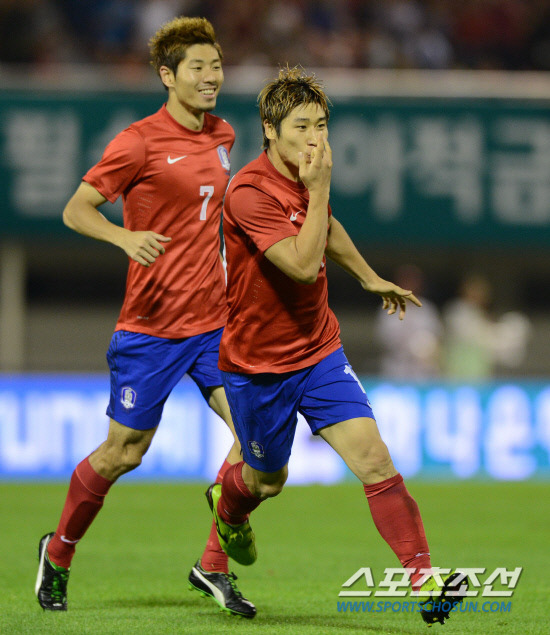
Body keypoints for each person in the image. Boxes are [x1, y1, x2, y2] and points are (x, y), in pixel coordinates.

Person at [207, 66, 468, 626]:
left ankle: (426, 583)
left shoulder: (303, 179)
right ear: (270, 131)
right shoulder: (248, 192)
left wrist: (368, 276)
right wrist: (321, 187)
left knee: (375, 461)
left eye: (322, 125)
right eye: (302, 126)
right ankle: (226, 504)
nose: (315, 138)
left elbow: (325, 229)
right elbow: (301, 265)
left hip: (319, 351)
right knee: (266, 481)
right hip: (257, 367)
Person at [35, 16, 256, 619]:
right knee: (123, 453)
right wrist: (123, 238)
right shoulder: (137, 142)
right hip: (152, 329)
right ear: (168, 75)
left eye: (216, 66)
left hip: (215, 322)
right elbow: (76, 210)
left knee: (255, 440)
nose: (212, 77)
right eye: (198, 68)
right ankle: (57, 553)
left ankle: (212, 563)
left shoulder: (224, 134)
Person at [442, 273, 531, 380]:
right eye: (474, 290)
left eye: (481, 292)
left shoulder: (482, 316)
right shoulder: (457, 312)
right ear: (464, 291)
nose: (478, 295)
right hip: (456, 374)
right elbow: (476, 336)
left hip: (479, 375)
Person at [374, 264, 443, 379]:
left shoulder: (427, 309)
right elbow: (384, 340)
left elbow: (436, 338)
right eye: (406, 280)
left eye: (413, 281)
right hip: (396, 369)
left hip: (423, 371)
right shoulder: (387, 308)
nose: (409, 285)